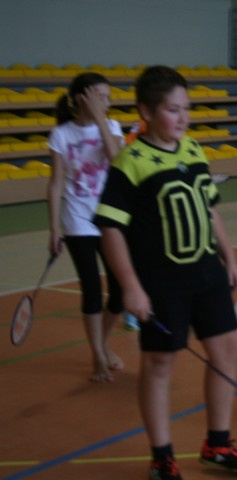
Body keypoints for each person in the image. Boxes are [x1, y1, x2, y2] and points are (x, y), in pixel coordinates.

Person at [93, 66, 237, 479]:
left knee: (225, 351)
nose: (183, 117)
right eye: (172, 110)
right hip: (162, 282)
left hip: (207, 274)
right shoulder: (130, 162)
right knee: (160, 364)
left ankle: (217, 444)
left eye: (186, 108)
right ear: (146, 112)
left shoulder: (194, 149)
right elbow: (110, 228)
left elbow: (210, 209)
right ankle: (161, 456)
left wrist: (229, 256)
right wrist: (131, 287)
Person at [47, 72, 125, 383]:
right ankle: (97, 355)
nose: (107, 102)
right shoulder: (61, 134)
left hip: (109, 216)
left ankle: (102, 344)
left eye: (108, 97)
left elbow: (117, 160)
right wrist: (54, 229)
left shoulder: (112, 127)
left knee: (119, 291)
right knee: (91, 288)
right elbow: (55, 184)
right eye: (100, 96)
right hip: (77, 218)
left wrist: (100, 119)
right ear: (81, 98)